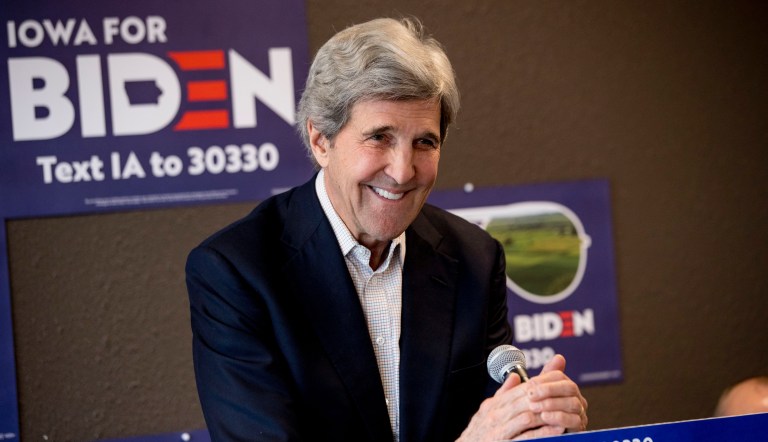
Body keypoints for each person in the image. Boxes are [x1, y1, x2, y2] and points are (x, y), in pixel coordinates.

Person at [186, 17, 588, 441]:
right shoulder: (236, 271)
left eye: (424, 142)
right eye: (380, 137)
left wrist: (539, 423)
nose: (402, 171)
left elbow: (496, 421)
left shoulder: (474, 258)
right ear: (321, 141)